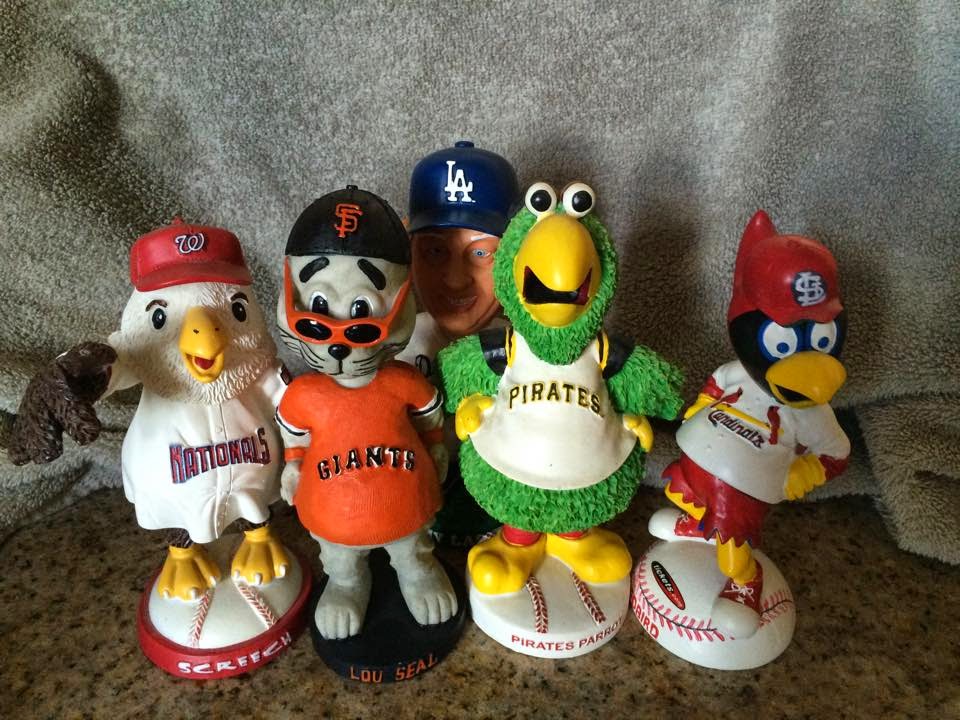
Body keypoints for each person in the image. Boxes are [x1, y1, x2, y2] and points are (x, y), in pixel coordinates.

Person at [399, 140, 520, 544]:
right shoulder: (387, 348)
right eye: (434, 251)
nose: (455, 280)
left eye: (481, 253)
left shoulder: (528, 351)